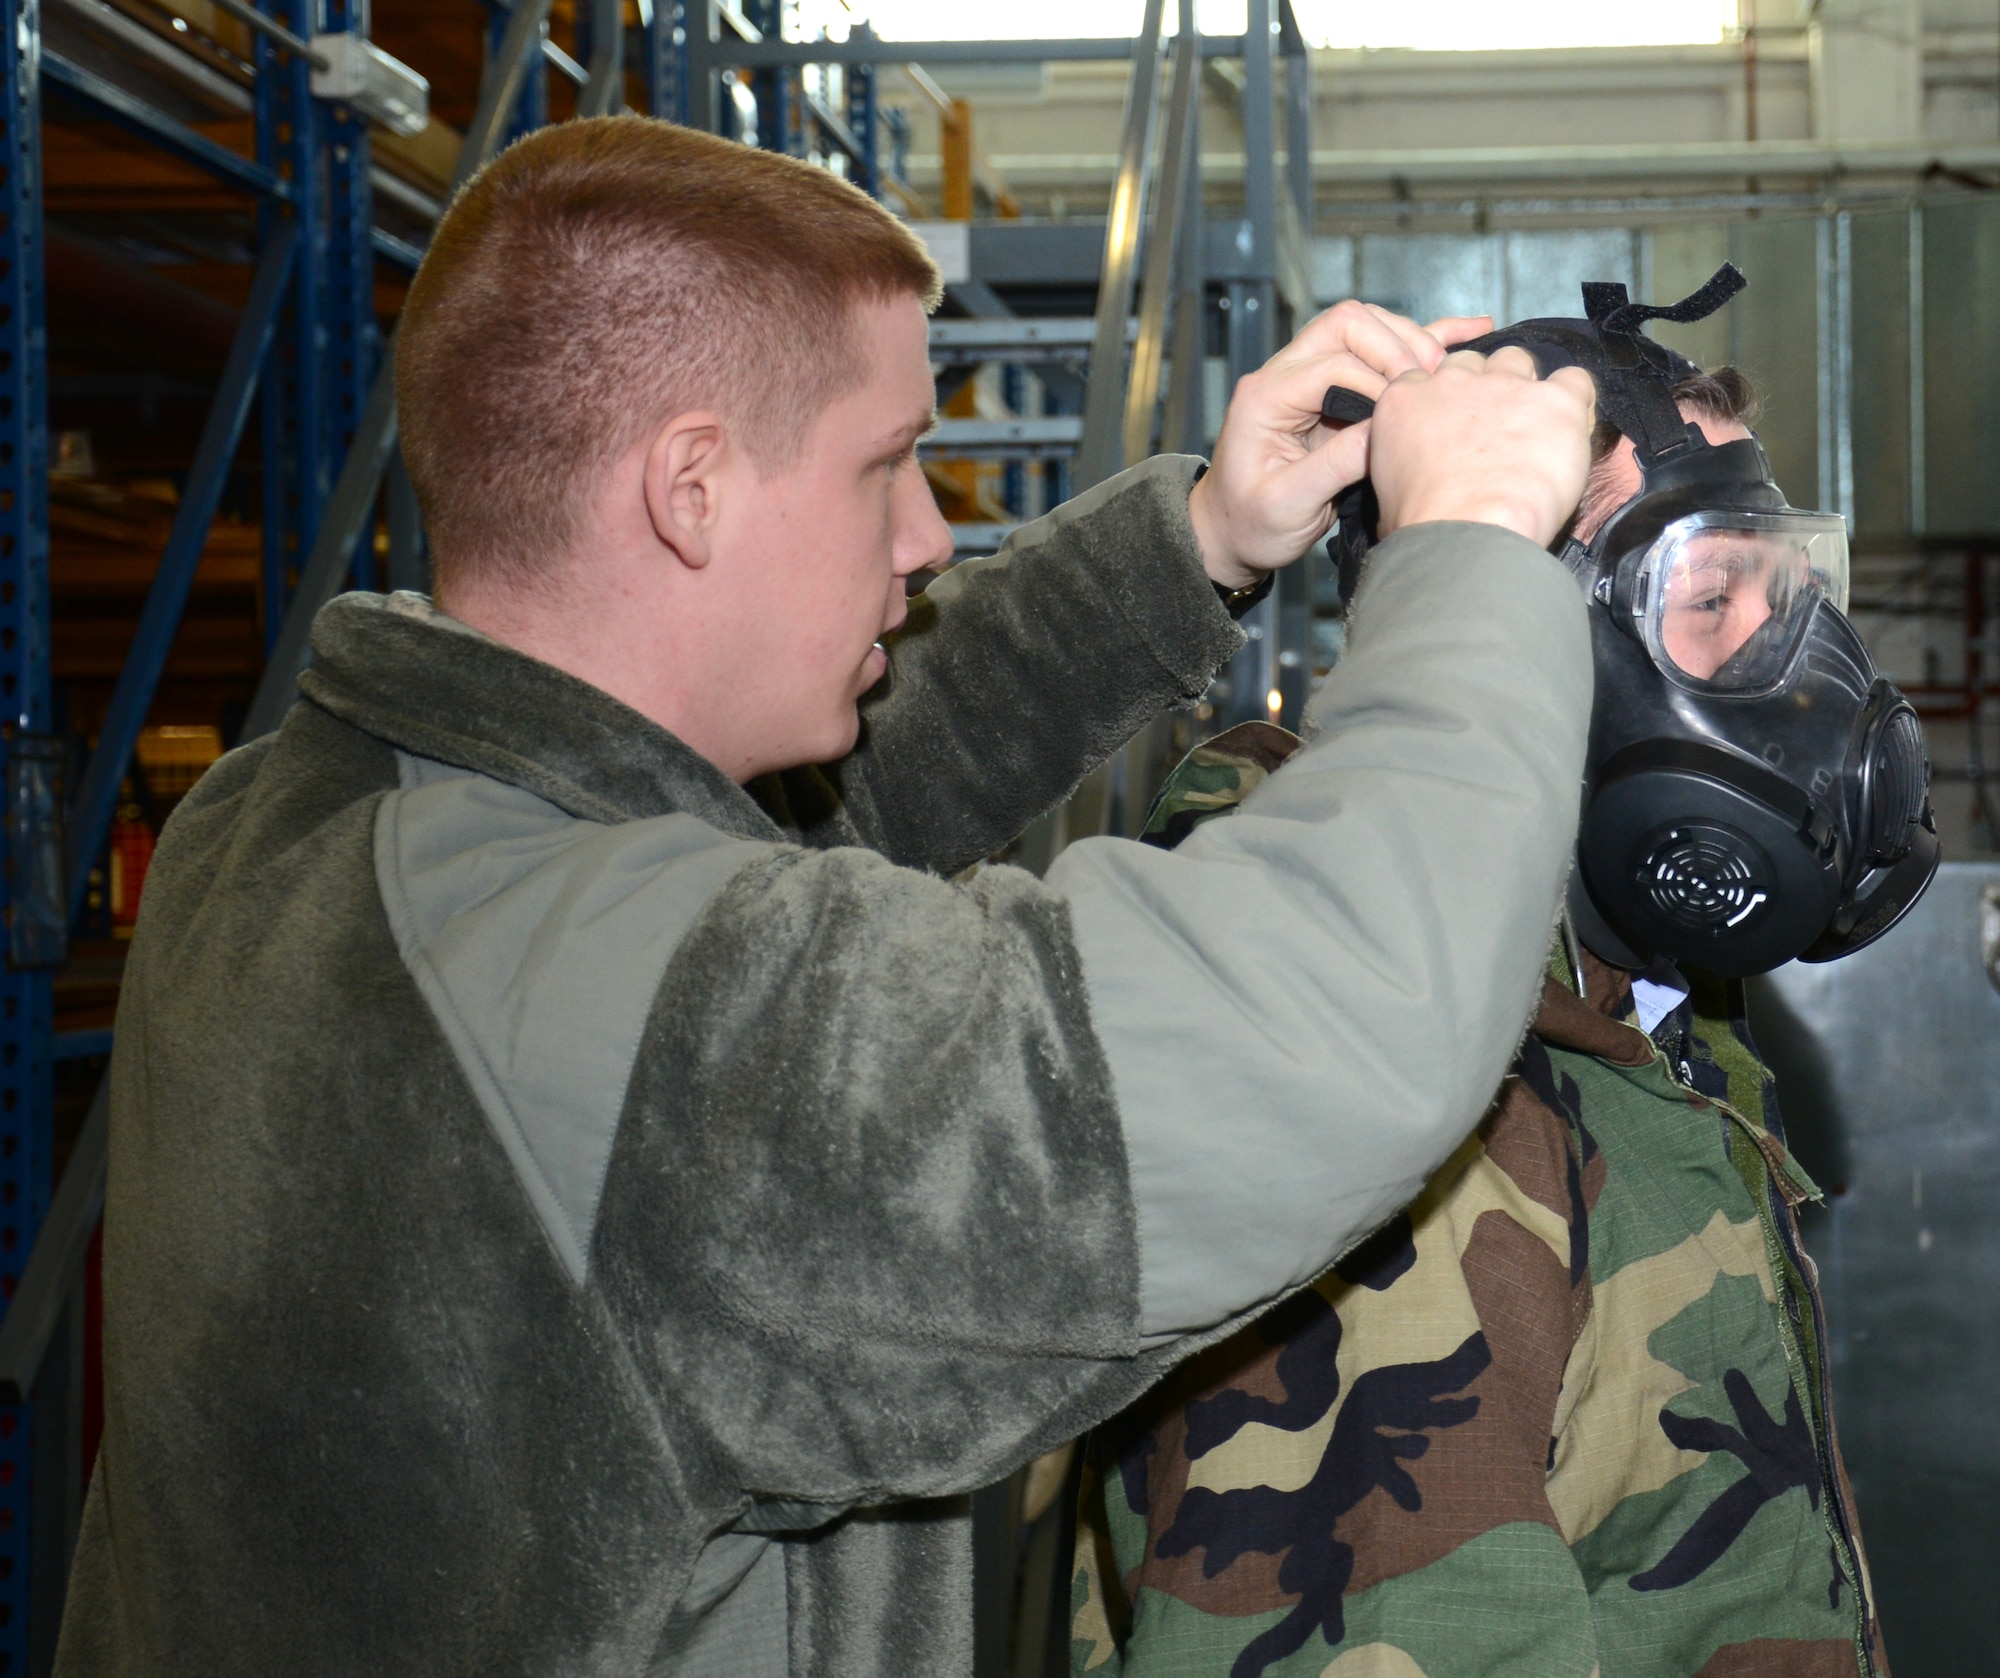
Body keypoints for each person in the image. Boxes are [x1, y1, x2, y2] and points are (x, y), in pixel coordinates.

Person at [54, 116, 1600, 1676]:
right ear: (693, 490)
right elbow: (1329, 1018)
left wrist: (1196, 543)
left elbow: (775, 828)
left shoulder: (277, 825)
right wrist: (1467, 549)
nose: (929, 535)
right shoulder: (653, 1035)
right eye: (888, 464)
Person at [1070, 340, 1907, 1678]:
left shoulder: (1636, 1019)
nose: (1800, 681)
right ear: (1520, 620)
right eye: (1711, 596)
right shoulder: (1387, 1102)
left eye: (1786, 592)